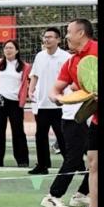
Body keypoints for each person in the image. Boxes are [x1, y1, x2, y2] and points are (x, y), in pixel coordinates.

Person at [50, 18, 98, 207]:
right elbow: (56, 89)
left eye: (69, 31)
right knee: (93, 163)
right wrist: (60, 98)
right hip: (96, 119)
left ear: (81, 33)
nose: (66, 36)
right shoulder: (71, 61)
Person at [0, 40, 32, 168]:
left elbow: (32, 80)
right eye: (6, 48)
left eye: (11, 48)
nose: (8, 50)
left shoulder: (25, 66)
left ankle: (22, 160)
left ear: (17, 50)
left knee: (18, 131)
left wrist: (29, 92)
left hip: (15, 102)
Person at [39, 82, 90, 207]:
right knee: (73, 159)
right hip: (74, 119)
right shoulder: (77, 64)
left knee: (95, 157)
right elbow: (74, 86)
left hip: (86, 119)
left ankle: (82, 194)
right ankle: (53, 196)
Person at [27, 28, 71, 175]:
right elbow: (35, 75)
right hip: (43, 104)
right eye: (45, 37)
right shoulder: (40, 56)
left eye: (50, 37)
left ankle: (70, 164)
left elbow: (70, 78)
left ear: (58, 40)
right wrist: (30, 90)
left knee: (62, 135)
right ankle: (42, 165)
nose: (47, 40)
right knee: (40, 135)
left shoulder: (65, 57)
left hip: (60, 104)